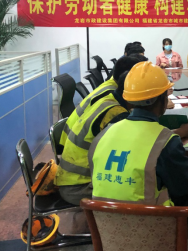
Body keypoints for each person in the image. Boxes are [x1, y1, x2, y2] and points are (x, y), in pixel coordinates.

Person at [89, 61, 188, 206]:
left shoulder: (104, 134)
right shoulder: (167, 142)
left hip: (102, 218)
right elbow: (186, 185)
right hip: (151, 219)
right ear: (163, 99)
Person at [55, 55, 148, 204]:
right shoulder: (116, 114)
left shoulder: (109, 99)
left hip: (70, 177)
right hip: (79, 186)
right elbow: (135, 152)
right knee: (142, 187)